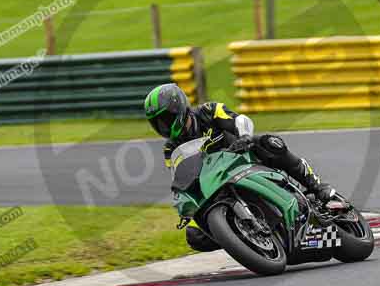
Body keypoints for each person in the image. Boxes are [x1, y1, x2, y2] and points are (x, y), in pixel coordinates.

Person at [144, 83, 337, 252]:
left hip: (245, 160)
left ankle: (318, 187)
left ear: (178, 108)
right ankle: (244, 238)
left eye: (166, 119)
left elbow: (239, 120)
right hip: (216, 185)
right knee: (194, 235)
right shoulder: (170, 149)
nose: (163, 126)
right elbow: (180, 178)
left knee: (269, 143)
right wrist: (185, 204)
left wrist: (244, 136)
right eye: (157, 123)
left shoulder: (208, 111)